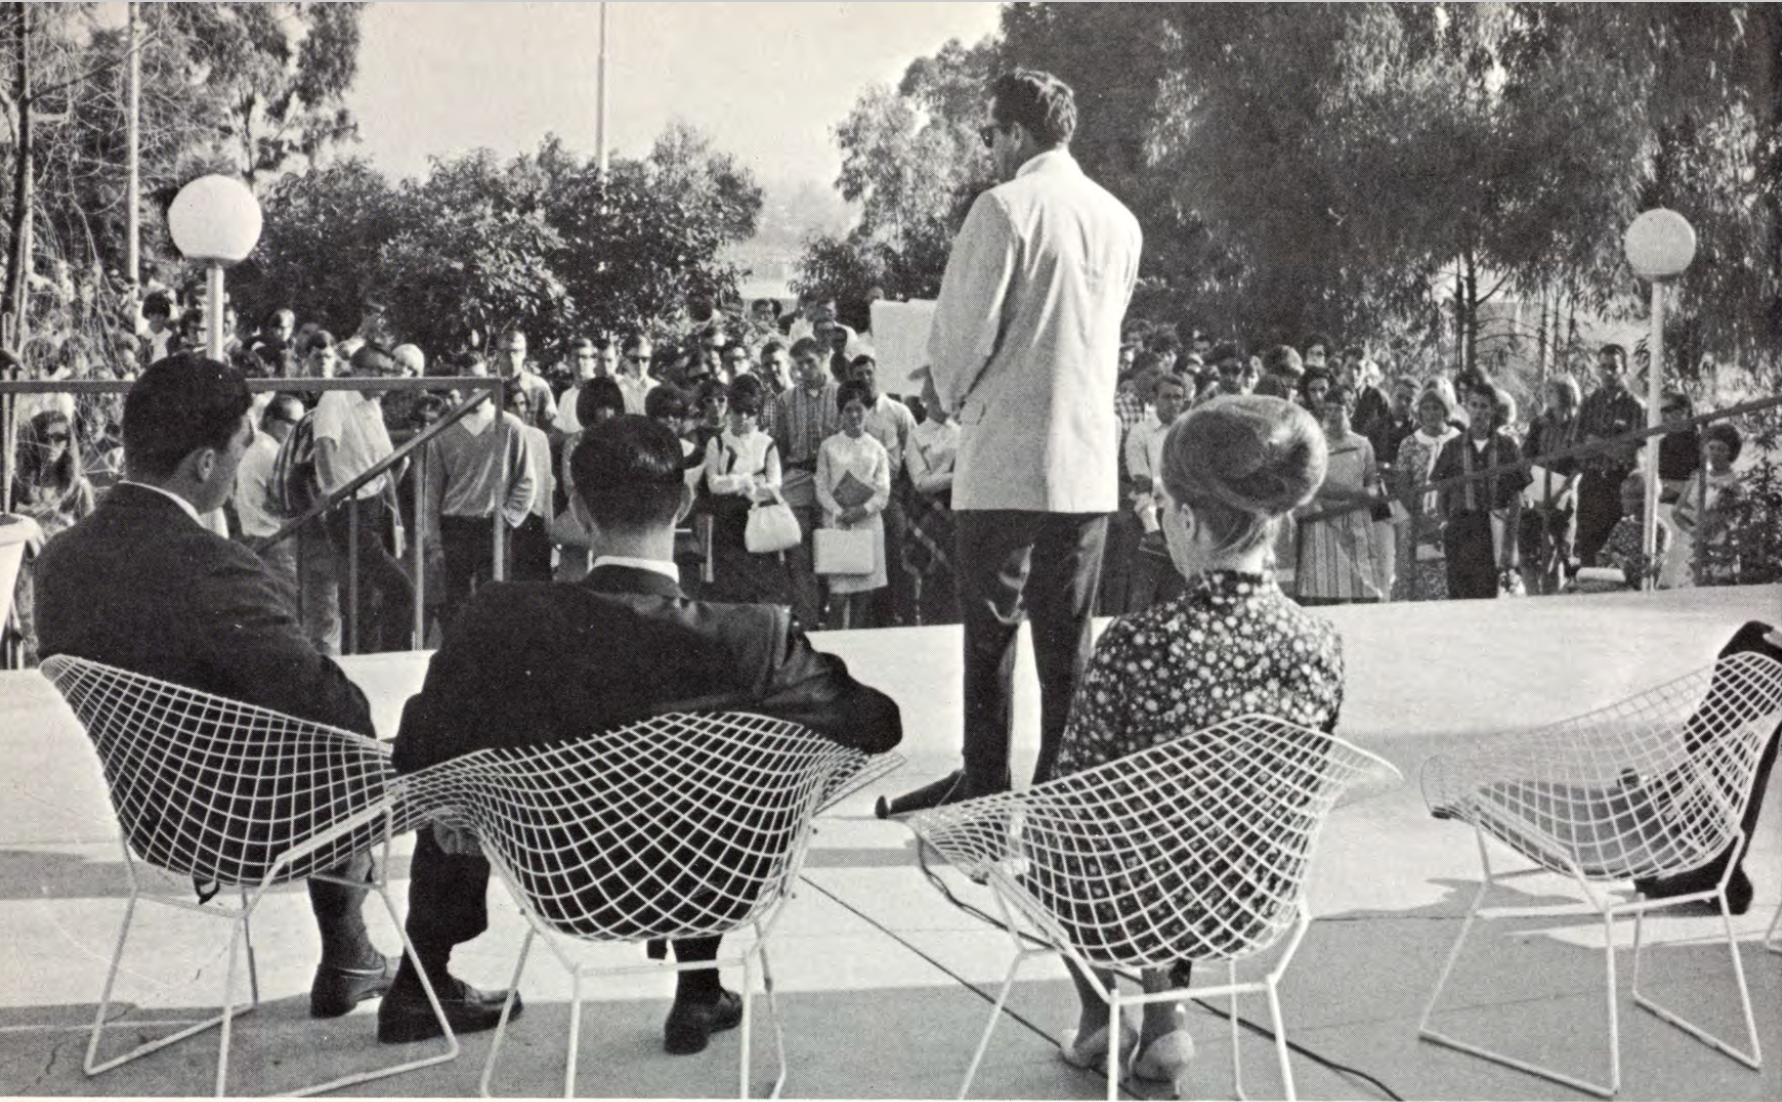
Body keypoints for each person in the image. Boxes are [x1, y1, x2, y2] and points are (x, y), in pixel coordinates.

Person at [389, 414, 902, 1056]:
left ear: (576, 507)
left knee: (454, 760)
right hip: (706, 883)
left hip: (558, 881)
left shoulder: (499, 619)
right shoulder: (751, 638)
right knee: (719, 769)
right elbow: (878, 723)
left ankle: (420, 981)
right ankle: (698, 987)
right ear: (685, 501)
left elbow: (415, 750)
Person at [30, 354, 510, 1033]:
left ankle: (348, 956)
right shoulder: (211, 566)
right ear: (202, 463)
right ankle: (424, 985)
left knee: (309, 740)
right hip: (248, 826)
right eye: (240, 446)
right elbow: (336, 708)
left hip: (158, 815)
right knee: (455, 756)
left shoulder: (59, 562)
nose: (244, 461)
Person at [1049, 395, 1342, 1086]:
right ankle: (1162, 1027)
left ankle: (1104, 1019)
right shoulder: (1320, 642)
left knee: (1060, 846)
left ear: (1183, 518)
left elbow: (1073, 799)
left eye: (1162, 509)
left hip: (1139, 904)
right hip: (1255, 897)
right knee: (1177, 832)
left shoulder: (1139, 644)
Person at [883, 69, 1142, 816]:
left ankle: (985, 785)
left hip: (1005, 459)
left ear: (1018, 134)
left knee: (990, 635)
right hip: (1086, 463)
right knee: (1069, 643)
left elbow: (964, 336)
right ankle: (1063, 798)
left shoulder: (1002, 209)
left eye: (990, 132)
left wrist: (951, 394)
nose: (988, 146)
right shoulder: (1120, 220)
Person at [313, 344, 415, 652]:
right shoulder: (336, 397)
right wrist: (332, 490)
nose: (388, 379)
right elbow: (325, 444)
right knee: (401, 591)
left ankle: (372, 663)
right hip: (349, 509)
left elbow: (380, 466)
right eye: (379, 372)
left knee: (366, 597)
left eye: (389, 372)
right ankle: (393, 658)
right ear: (358, 371)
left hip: (373, 508)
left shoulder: (373, 405)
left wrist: (394, 514)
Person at [9, 409, 98, 664]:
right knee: (30, 647)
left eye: (60, 437)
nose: (51, 445)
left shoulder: (77, 487)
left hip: (63, 572)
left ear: (69, 442)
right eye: (44, 437)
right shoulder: (17, 485)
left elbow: (91, 539)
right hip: (25, 575)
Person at [1429, 382, 1529, 599]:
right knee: (1458, 593)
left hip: (1492, 526)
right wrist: (1444, 523)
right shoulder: (1453, 447)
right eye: (1474, 405)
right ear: (1466, 407)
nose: (1478, 412)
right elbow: (1441, 492)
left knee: (1486, 595)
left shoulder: (1507, 447)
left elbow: (1516, 497)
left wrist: (1509, 544)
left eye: (1484, 406)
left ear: (1493, 409)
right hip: (1460, 527)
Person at [770, 337, 842, 628]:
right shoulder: (786, 400)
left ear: (823, 358)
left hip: (832, 481)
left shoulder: (839, 394)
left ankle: (834, 623)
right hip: (798, 480)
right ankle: (810, 625)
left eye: (810, 362)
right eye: (799, 365)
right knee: (799, 558)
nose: (805, 370)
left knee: (832, 555)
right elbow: (780, 445)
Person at [701, 376, 788, 605]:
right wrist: (746, 480)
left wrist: (753, 489)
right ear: (730, 410)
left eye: (750, 412)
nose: (743, 418)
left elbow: (775, 484)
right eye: (738, 411)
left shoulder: (767, 443)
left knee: (760, 585)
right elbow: (713, 483)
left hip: (758, 520)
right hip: (727, 522)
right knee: (729, 587)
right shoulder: (717, 443)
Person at [1295, 384, 1384, 604]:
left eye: (1338, 409)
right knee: (1326, 594)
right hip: (1323, 521)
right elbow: (1315, 484)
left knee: (1365, 592)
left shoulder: (1362, 444)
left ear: (1350, 410)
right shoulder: (1315, 444)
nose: (1332, 415)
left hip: (1357, 524)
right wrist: (1355, 493)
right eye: (1328, 410)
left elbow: (1372, 485)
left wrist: (1369, 494)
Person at [815, 380, 892, 629]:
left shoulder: (877, 449)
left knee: (864, 596)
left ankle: (856, 651)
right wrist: (839, 512)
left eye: (859, 408)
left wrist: (862, 510)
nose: (855, 415)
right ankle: (832, 652)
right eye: (848, 409)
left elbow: (883, 491)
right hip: (839, 525)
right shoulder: (829, 446)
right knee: (837, 597)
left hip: (868, 525)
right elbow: (821, 488)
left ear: (867, 410)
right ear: (841, 413)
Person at [1575, 344, 1644, 566]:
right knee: (1589, 549)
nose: (1608, 372)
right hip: (1592, 481)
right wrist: (1610, 447)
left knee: (1617, 552)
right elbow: (1578, 449)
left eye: (1613, 367)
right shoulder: (1589, 403)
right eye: (1603, 366)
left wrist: (1598, 444)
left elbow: (1629, 451)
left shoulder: (1634, 406)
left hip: (1619, 484)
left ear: (1624, 369)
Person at [1392, 382, 1462, 601]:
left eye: (1436, 408)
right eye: (1426, 408)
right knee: (1416, 578)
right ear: (1419, 412)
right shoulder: (1409, 444)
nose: (1431, 413)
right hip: (1417, 519)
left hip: (1452, 518)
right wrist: (1421, 517)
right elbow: (1402, 485)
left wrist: (1447, 516)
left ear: (1445, 411)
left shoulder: (1458, 439)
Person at [232, 393, 307, 593]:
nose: (298, 431)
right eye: (292, 423)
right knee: (294, 605)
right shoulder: (270, 451)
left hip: (262, 539)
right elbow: (294, 501)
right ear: (271, 420)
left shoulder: (264, 447)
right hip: (272, 542)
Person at [903, 369, 961, 625]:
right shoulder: (917, 435)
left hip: (958, 510)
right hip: (929, 510)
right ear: (928, 399)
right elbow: (920, 482)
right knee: (930, 575)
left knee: (957, 575)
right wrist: (957, 478)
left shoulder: (961, 431)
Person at [1517, 375, 1583, 594]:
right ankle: (1532, 595)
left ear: (1567, 393)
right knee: (1529, 550)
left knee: (1559, 550)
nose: (1547, 395)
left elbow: (1579, 463)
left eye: (1552, 390)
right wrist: (1534, 493)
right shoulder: (1538, 424)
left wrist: (1560, 493)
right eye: (1546, 390)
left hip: (1564, 491)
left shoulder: (1577, 424)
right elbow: (1526, 457)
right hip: (1537, 488)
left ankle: (1553, 597)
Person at [1671, 422, 1744, 586]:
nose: (1715, 453)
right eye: (1712, 447)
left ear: (1731, 452)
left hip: (1722, 546)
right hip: (1694, 543)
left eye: (1722, 449)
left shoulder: (1734, 483)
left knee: (1719, 589)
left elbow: (1729, 518)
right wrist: (1690, 529)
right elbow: (1677, 512)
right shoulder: (1698, 477)